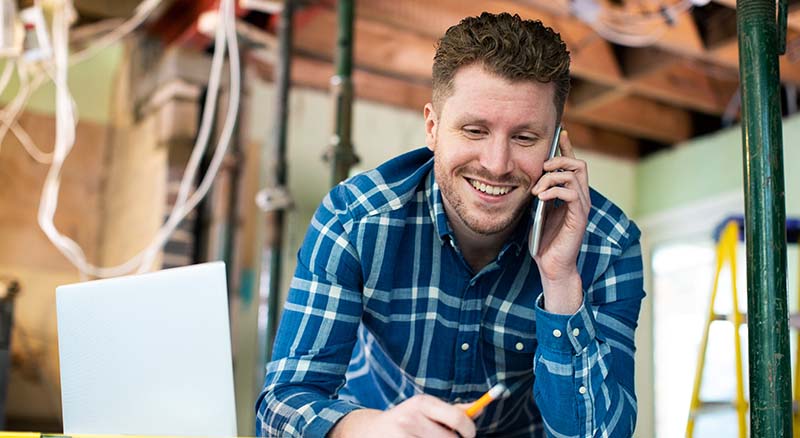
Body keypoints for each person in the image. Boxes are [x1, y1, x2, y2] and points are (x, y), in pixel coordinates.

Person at [256, 11, 644, 438]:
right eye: (475, 130)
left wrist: (561, 281)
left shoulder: (607, 245)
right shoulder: (354, 219)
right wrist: (375, 430)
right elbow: (281, 407)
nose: (497, 165)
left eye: (526, 138)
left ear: (557, 144)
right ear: (432, 127)